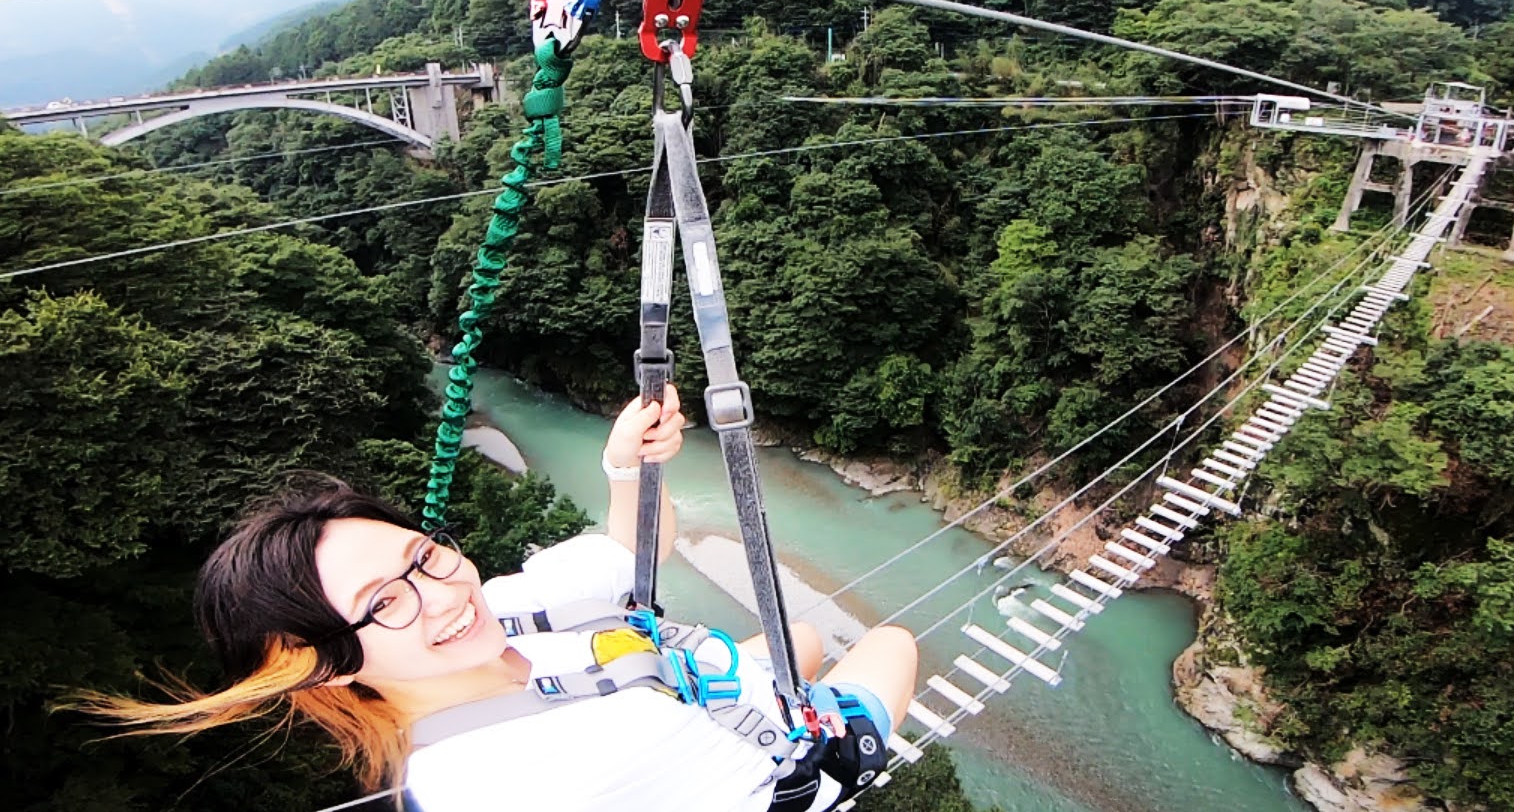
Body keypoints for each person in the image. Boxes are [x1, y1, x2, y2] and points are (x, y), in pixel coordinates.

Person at [74, 384, 919, 812]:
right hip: (771, 768)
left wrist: (626, 465)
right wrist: (813, 746)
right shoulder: (511, 776)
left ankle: (786, 672)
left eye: (423, 556)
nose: (440, 595)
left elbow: (624, 558)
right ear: (318, 663)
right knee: (892, 644)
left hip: (696, 695)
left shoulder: (498, 612)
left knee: (801, 637)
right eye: (385, 603)